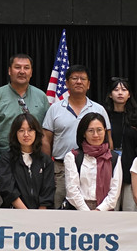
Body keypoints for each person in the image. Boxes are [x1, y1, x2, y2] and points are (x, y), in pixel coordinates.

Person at [43, 65, 111, 209]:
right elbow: (46, 139)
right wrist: (48, 167)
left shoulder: (99, 109)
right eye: (74, 78)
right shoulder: (54, 108)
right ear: (67, 83)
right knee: (59, 210)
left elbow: (108, 140)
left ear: (89, 84)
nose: (79, 81)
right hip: (60, 169)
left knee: (94, 210)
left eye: (83, 79)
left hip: (93, 169)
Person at [0, 53, 50, 158]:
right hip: (3, 159)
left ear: (31, 72)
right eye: (17, 67)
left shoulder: (41, 97)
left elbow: (47, 132)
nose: (22, 71)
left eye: (26, 68)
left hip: (35, 159)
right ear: (9, 71)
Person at [104, 77, 137, 210]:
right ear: (110, 94)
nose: (120, 93)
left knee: (130, 211)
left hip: (131, 171)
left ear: (129, 95)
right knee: (110, 210)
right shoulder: (104, 116)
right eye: (116, 89)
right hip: (109, 172)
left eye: (124, 90)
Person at [63, 113, 121, 211]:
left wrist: (99, 210)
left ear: (105, 131)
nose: (95, 135)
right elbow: (72, 190)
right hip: (78, 209)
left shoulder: (114, 158)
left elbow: (115, 192)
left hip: (105, 210)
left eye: (99, 130)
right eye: (90, 131)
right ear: (84, 133)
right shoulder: (73, 157)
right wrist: (87, 212)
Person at [0, 113, 55, 209]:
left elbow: (48, 191)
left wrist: (39, 214)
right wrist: (26, 213)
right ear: (15, 133)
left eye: (30, 130)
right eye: (21, 130)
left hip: (41, 215)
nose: (26, 134)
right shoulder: (7, 159)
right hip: (14, 213)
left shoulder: (46, 161)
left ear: (36, 132)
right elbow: (8, 189)